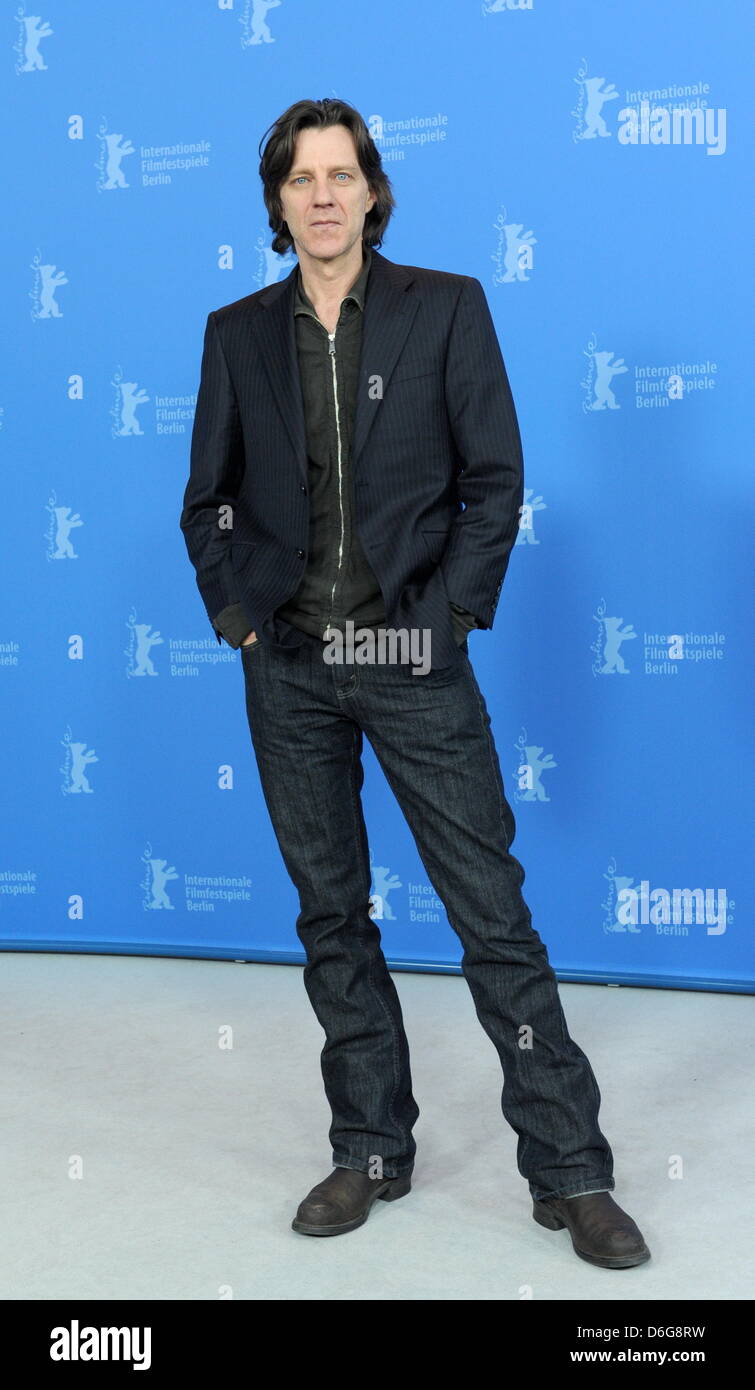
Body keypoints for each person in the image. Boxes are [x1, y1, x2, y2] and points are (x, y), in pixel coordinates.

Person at [180, 97, 650, 1270]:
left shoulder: (445, 309)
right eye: (300, 178)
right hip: (287, 667)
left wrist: (442, 624)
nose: (323, 195)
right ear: (278, 202)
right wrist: (241, 618)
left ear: (373, 192)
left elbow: (493, 481)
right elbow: (211, 501)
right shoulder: (236, 332)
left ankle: (569, 1171)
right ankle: (369, 1148)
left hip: (408, 658)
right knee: (331, 914)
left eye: (341, 174)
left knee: (490, 913)